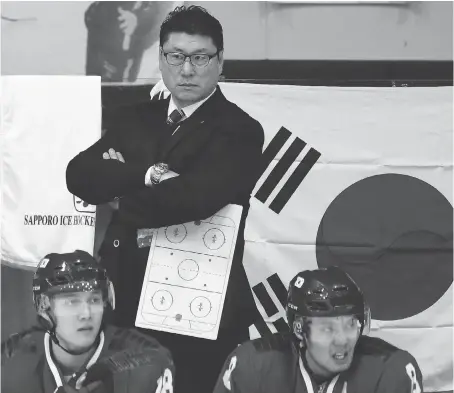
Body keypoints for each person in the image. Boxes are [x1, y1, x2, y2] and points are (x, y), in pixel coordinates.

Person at [66, 5, 265, 393]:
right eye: (176, 56)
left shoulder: (240, 130)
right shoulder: (136, 117)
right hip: (125, 299)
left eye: (200, 57)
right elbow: (80, 176)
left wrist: (121, 189)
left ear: (220, 61)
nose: (187, 69)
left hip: (197, 306)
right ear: (161, 58)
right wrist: (150, 174)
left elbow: (193, 199)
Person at [213, 266, 424, 393]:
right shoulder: (252, 365)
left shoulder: (391, 369)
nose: (342, 340)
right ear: (299, 329)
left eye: (351, 324)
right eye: (327, 328)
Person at [1, 250, 174, 393]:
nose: (86, 314)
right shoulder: (10, 359)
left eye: (94, 300)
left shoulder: (144, 364)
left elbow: (156, 359)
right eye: (72, 302)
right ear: (45, 308)